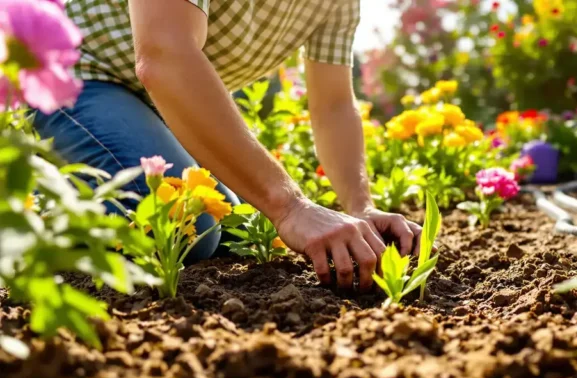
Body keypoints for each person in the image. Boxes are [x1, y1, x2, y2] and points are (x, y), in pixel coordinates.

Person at [33, 0, 422, 291]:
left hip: (151, 103)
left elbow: (333, 105)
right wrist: (290, 207)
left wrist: (361, 206)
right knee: (187, 227)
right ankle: (29, 215)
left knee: (236, 231)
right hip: (64, 75)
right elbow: (163, 54)